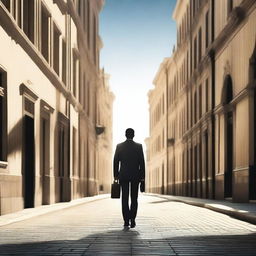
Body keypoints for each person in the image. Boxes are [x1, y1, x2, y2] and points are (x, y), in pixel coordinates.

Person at [113, 128, 145, 228]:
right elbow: (142, 163)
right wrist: (142, 177)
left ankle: (126, 220)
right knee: (134, 198)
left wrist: (116, 175)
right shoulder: (139, 146)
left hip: (123, 176)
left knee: (125, 198)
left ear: (125, 135)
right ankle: (133, 219)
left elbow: (115, 162)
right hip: (135, 176)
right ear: (133, 135)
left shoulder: (119, 146)